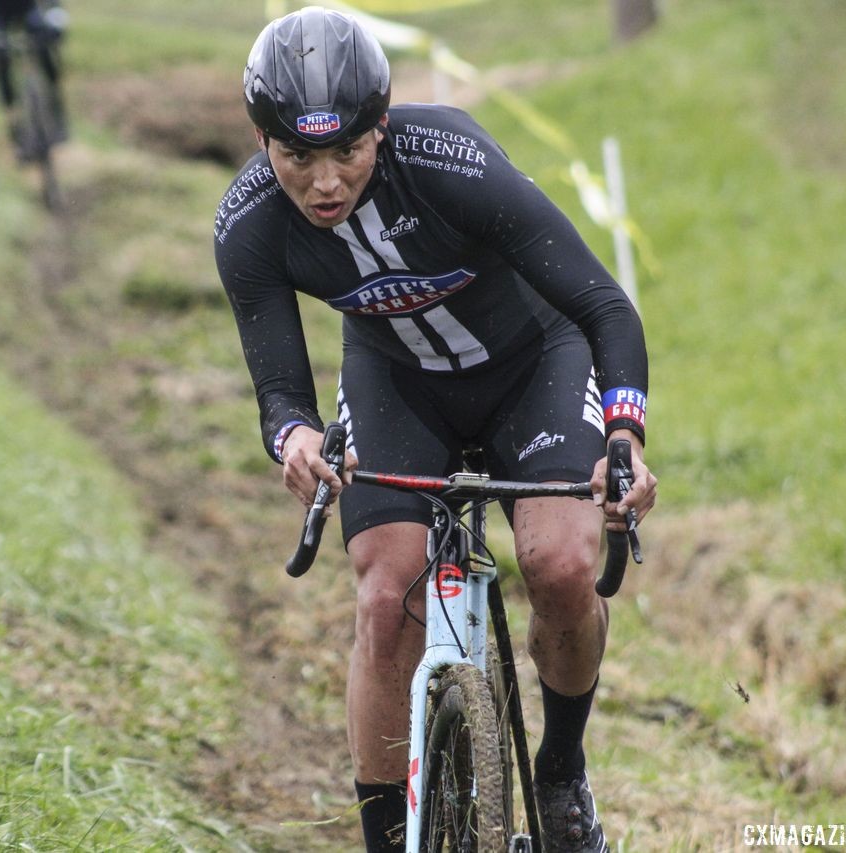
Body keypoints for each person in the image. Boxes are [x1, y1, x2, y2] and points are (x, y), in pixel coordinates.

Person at [214, 7, 657, 852]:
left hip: (534, 366)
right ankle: (388, 836)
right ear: (262, 142)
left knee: (563, 565)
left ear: (381, 124)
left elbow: (604, 303)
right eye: (297, 156)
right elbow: (281, 392)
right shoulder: (247, 227)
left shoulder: (451, 161)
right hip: (396, 385)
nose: (325, 181)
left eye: (347, 148)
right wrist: (297, 441)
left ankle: (560, 772)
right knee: (386, 598)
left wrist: (625, 435)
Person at [0, 0, 70, 158]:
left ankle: (58, 111)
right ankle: (14, 126)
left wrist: (55, 13)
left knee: (45, 51)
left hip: (28, 10)